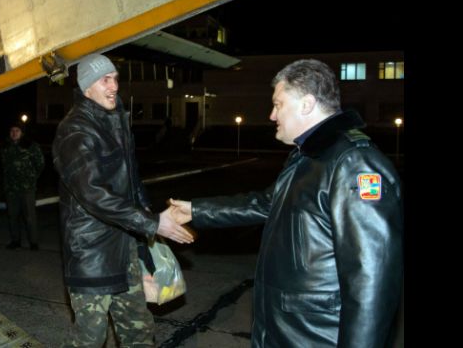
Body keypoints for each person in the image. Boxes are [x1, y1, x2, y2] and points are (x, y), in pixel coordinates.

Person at [169, 59, 402, 348]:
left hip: (315, 334)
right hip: (284, 328)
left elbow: (371, 280)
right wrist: (196, 210)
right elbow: (268, 203)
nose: (271, 115)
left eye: (278, 104)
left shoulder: (355, 164)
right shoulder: (309, 155)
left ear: (306, 104)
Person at [52, 53, 194, 347]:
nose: (114, 86)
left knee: (139, 332)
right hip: (92, 256)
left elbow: (132, 184)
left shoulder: (115, 120)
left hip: (125, 250)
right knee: (89, 340)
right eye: (105, 80)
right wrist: (153, 223)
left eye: (116, 78)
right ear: (87, 86)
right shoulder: (75, 131)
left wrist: (149, 232)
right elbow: (94, 194)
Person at [1, 122, 44, 250]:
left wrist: (31, 178)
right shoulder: (6, 146)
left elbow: (40, 164)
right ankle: (15, 240)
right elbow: (4, 166)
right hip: (11, 188)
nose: (14, 133)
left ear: (22, 133)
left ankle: (33, 242)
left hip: (27, 188)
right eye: (12, 130)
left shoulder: (30, 146)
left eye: (17, 130)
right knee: (12, 216)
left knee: (29, 216)